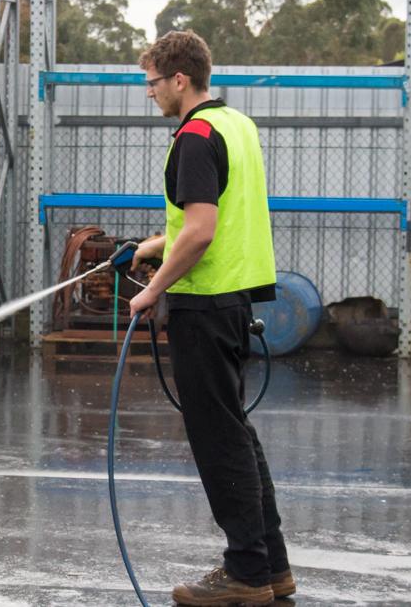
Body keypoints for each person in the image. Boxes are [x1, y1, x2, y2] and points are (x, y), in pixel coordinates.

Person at [129, 30, 294, 607]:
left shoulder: (193, 138)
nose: (148, 93)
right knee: (237, 435)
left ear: (178, 79)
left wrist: (152, 289)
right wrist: (157, 244)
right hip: (235, 301)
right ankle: (272, 569)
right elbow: (205, 218)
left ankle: (246, 573)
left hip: (204, 304)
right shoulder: (236, 125)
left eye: (151, 82)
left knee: (219, 440)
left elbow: (201, 230)